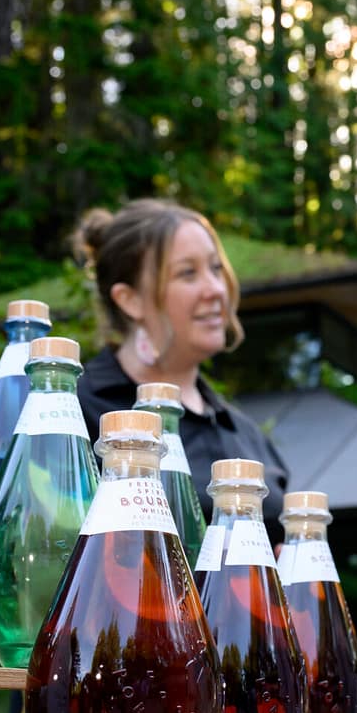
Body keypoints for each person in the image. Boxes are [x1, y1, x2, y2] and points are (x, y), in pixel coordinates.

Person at [71, 199, 291, 524]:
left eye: (216, 269)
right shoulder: (77, 417)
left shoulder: (248, 435)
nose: (216, 289)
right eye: (188, 273)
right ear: (130, 300)